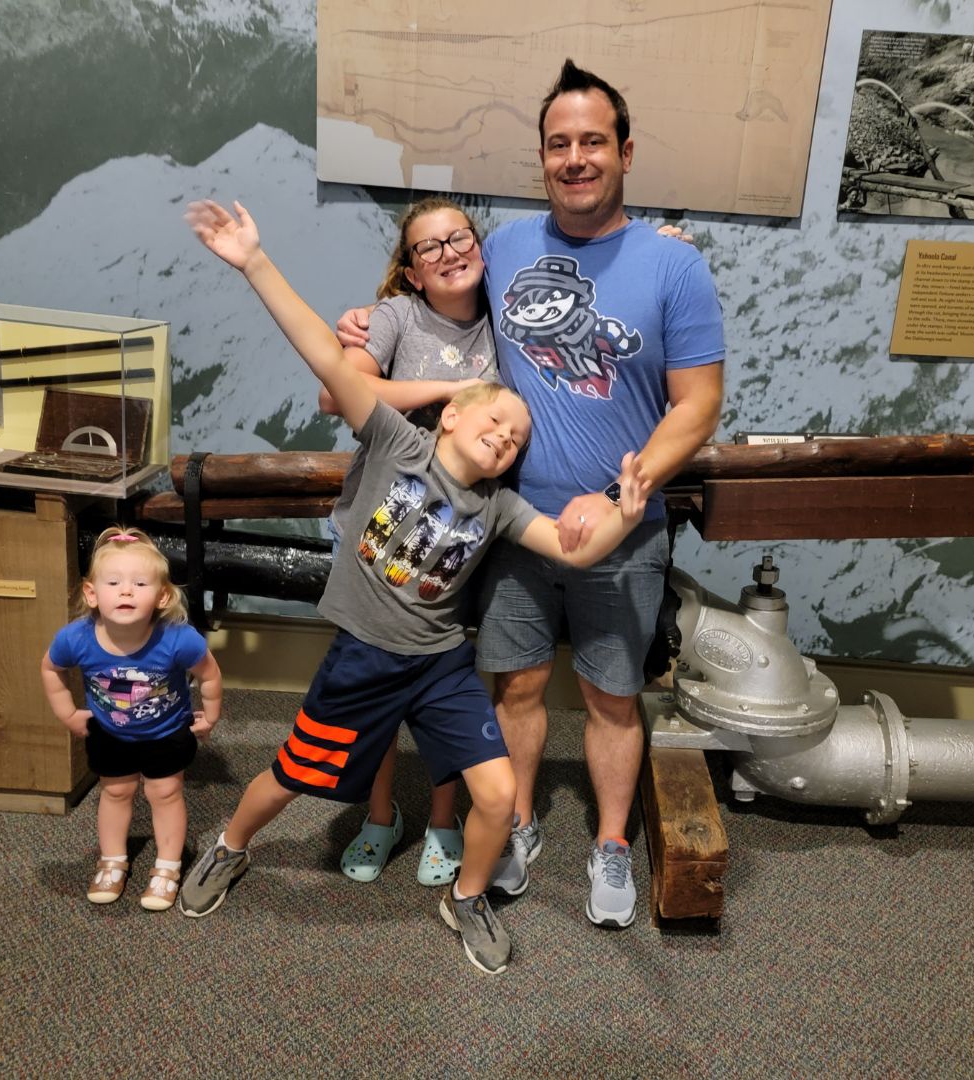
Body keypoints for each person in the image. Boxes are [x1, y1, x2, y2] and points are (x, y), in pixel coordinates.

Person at [176, 198, 648, 975]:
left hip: (439, 666)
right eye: (494, 421)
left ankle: (465, 897)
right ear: (453, 415)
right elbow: (327, 364)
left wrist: (625, 515)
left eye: (516, 438)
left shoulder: (500, 507)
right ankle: (230, 847)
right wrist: (255, 261)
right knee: (293, 776)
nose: (504, 436)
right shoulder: (395, 440)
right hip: (363, 659)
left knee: (495, 797)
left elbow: (573, 547)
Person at [337, 58, 725, 930]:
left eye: (593, 141)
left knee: (610, 698)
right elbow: (428, 292)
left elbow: (698, 402)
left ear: (625, 152)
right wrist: (367, 320)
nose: (575, 157)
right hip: (506, 525)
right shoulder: (504, 246)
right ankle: (512, 825)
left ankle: (613, 842)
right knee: (511, 689)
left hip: (622, 525)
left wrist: (631, 486)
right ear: (542, 157)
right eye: (559, 144)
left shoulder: (674, 269)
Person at [318, 196, 496, 888]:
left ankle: (445, 820)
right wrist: (457, 388)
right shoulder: (394, 315)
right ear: (412, 271)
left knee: (449, 689)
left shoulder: (507, 318)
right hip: (378, 528)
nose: (450, 252)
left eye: (460, 237)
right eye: (430, 247)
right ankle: (381, 814)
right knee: (376, 688)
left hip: (460, 540)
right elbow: (342, 391)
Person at [41, 527, 223, 911]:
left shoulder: (179, 639)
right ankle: (113, 860)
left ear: (161, 596)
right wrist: (68, 713)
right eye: (113, 582)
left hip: (167, 732)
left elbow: (210, 675)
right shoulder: (75, 638)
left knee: (165, 793)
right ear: (92, 593)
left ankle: (168, 866)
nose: (126, 591)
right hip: (111, 733)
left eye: (139, 583)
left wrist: (212, 716)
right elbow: (50, 669)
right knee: (116, 792)